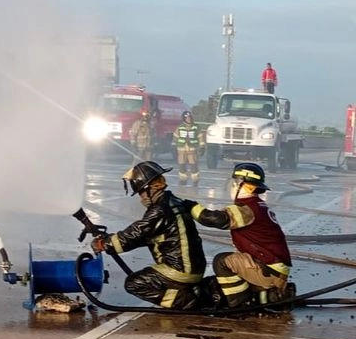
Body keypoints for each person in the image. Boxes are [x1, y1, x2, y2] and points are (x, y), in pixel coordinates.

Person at [92, 161, 207, 309]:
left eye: (141, 192)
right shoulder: (172, 201)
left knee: (134, 283)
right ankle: (189, 292)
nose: (141, 198)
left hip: (179, 271)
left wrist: (105, 244)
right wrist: (111, 240)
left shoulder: (159, 210)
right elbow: (144, 237)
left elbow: (137, 232)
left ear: (150, 188)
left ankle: (184, 300)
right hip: (192, 268)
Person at [190, 162, 294, 309]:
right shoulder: (257, 205)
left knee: (221, 262)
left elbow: (216, 219)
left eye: (235, 183)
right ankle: (266, 295)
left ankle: (240, 304)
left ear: (248, 187)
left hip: (268, 270)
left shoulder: (247, 208)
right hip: (272, 268)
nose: (232, 187)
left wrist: (190, 208)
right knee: (217, 284)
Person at [172, 111, 203, 185]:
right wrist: (173, 146)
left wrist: (202, 146)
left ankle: (195, 180)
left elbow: (200, 137)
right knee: (181, 166)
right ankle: (183, 179)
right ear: (184, 119)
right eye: (187, 118)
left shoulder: (196, 127)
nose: (189, 119)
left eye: (190, 118)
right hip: (181, 150)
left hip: (192, 149)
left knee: (194, 166)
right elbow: (175, 137)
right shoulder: (180, 127)